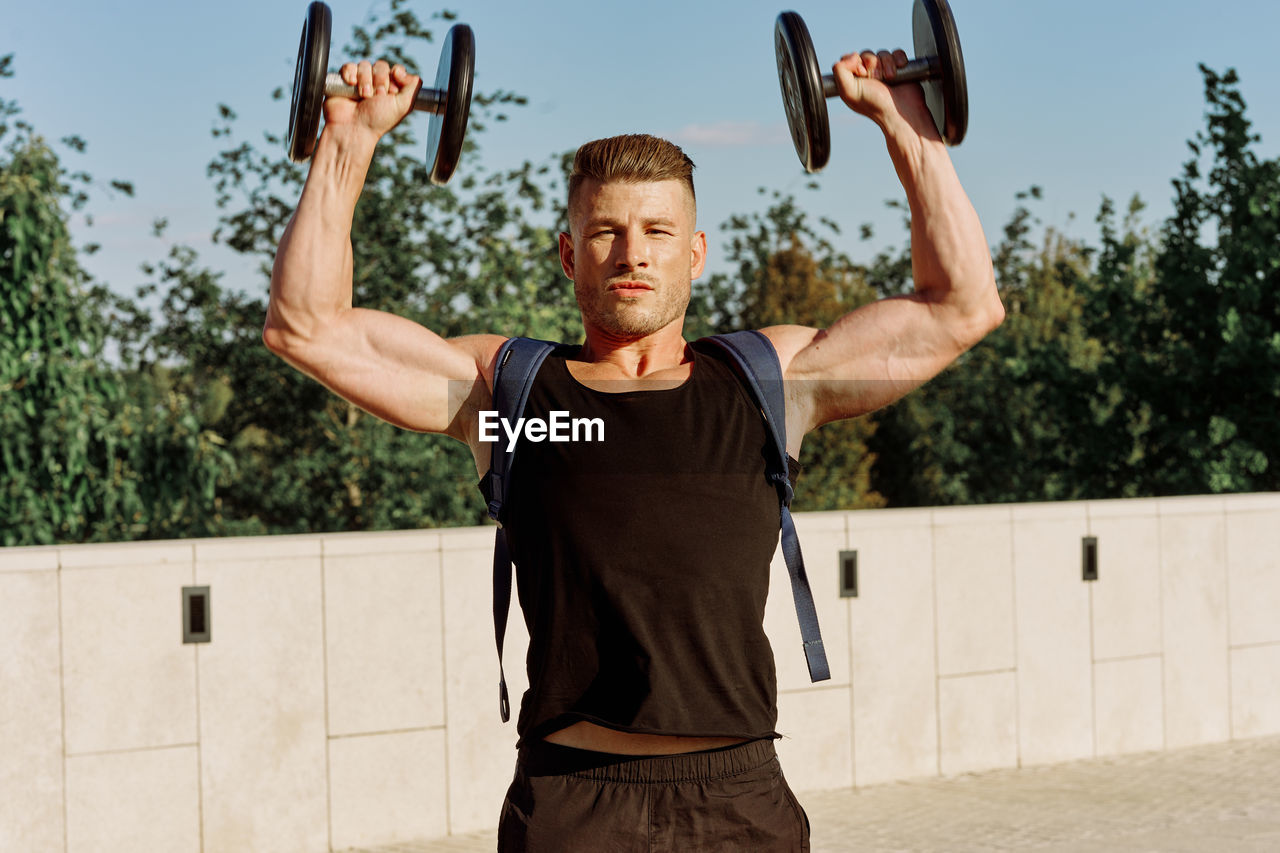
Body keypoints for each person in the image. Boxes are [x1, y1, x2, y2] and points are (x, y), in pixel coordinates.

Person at [266, 46, 1003, 853]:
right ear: (568, 252)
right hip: (572, 804)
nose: (632, 253)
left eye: (658, 231)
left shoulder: (767, 382)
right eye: (606, 232)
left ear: (694, 253)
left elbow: (961, 306)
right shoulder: (508, 394)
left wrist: (907, 124)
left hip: (739, 801)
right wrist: (348, 139)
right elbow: (307, 327)